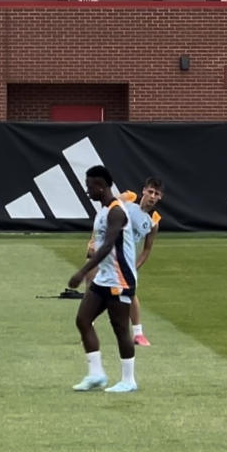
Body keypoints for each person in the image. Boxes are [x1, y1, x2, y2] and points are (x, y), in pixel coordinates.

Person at [68, 167, 148, 394]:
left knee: (120, 328)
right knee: (83, 320)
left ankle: (128, 379)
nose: (87, 190)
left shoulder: (116, 212)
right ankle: (96, 374)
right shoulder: (102, 211)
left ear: (100, 186)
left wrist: (82, 272)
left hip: (120, 280)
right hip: (105, 278)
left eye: (89, 186)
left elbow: (107, 247)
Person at [123, 179, 164, 347]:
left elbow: (147, 249)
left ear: (160, 198)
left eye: (157, 194)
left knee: (131, 295)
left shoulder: (153, 220)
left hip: (126, 260)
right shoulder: (128, 200)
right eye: (151, 192)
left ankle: (138, 334)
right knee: (94, 291)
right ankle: (88, 329)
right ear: (144, 191)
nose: (152, 196)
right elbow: (105, 213)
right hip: (107, 253)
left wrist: (135, 266)